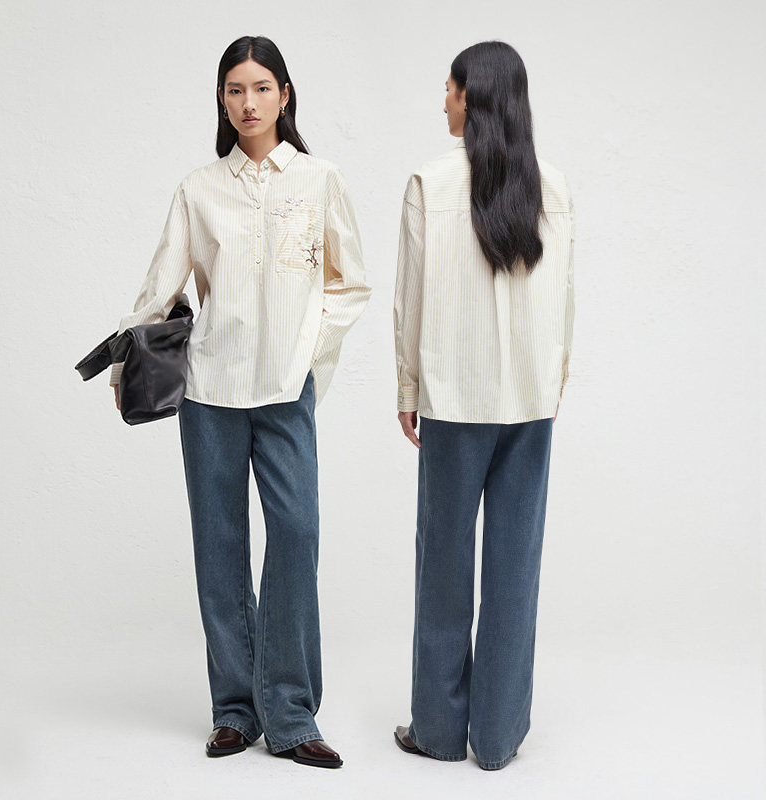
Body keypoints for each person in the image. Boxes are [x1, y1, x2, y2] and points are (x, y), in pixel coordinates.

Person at [109, 35, 371, 769]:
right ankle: (234, 709)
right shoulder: (198, 188)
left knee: (296, 535)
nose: (248, 103)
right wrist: (125, 359)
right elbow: (161, 284)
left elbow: (350, 284)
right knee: (219, 545)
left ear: (285, 95)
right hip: (211, 389)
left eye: (261, 88)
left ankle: (290, 712)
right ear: (222, 102)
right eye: (234, 90)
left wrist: (307, 352)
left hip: (287, 390)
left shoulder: (320, 180)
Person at [392, 40, 575, 770]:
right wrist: (554, 380)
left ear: (473, 97)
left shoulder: (429, 184)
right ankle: (497, 738)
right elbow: (564, 298)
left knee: (442, 562)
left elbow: (410, 300)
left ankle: (437, 732)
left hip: (453, 397)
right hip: (528, 400)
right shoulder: (552, 186)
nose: (443, 99)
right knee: (514, 565)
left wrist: (407, 389)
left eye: (450, 87)